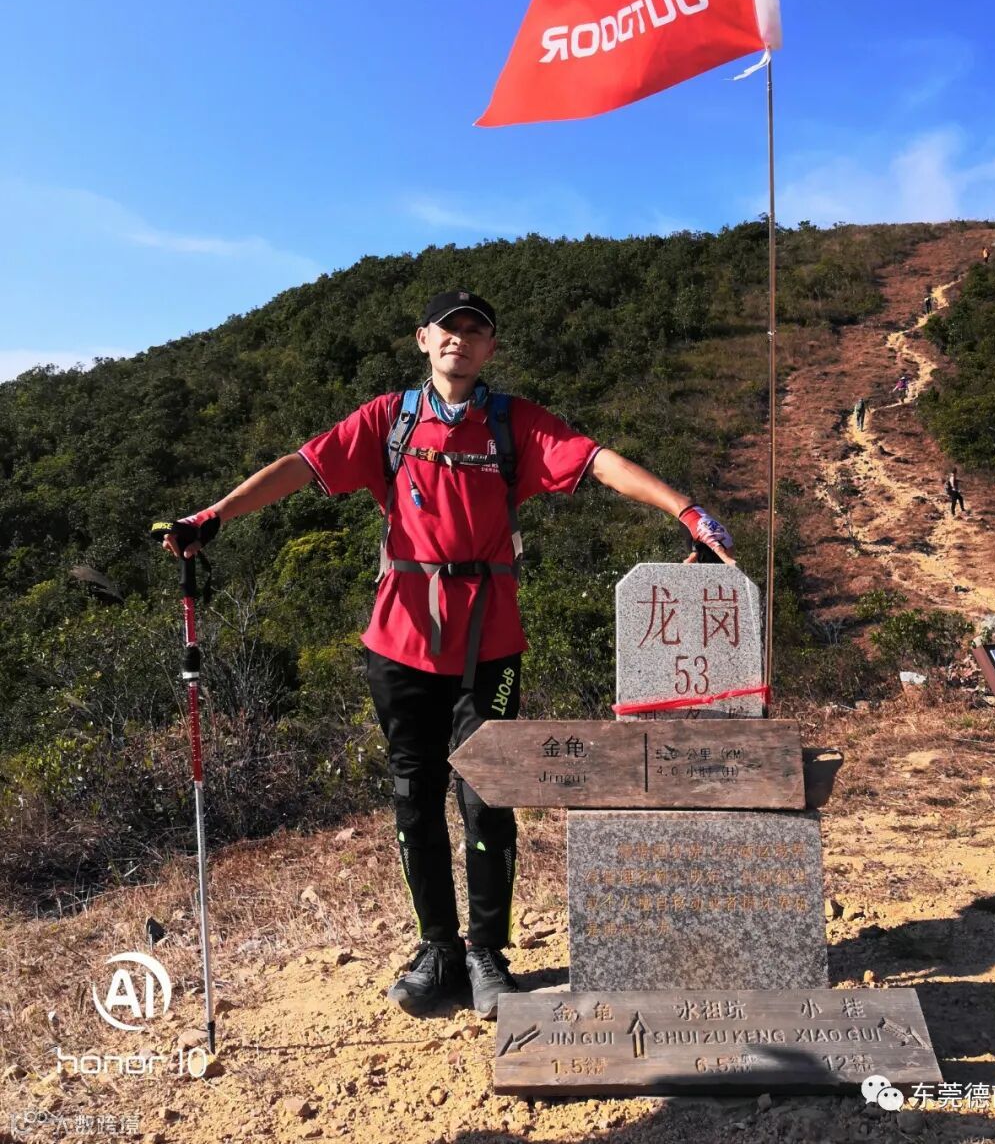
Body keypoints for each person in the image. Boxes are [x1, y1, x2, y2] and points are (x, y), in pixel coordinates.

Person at [160, 289, 735, 1021]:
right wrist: (214, 516)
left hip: (489, 645)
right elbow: (300, 466)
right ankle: (437, 949)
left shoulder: (512, 423)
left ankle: (487, 951)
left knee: (488, 793)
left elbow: (597, 462)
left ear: (490, 348)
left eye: (476, 330)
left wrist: (686, 510)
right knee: (415, 793)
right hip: (399, 639)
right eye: (448, 328)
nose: (461, 338)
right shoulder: (388, 420)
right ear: (423, 339)